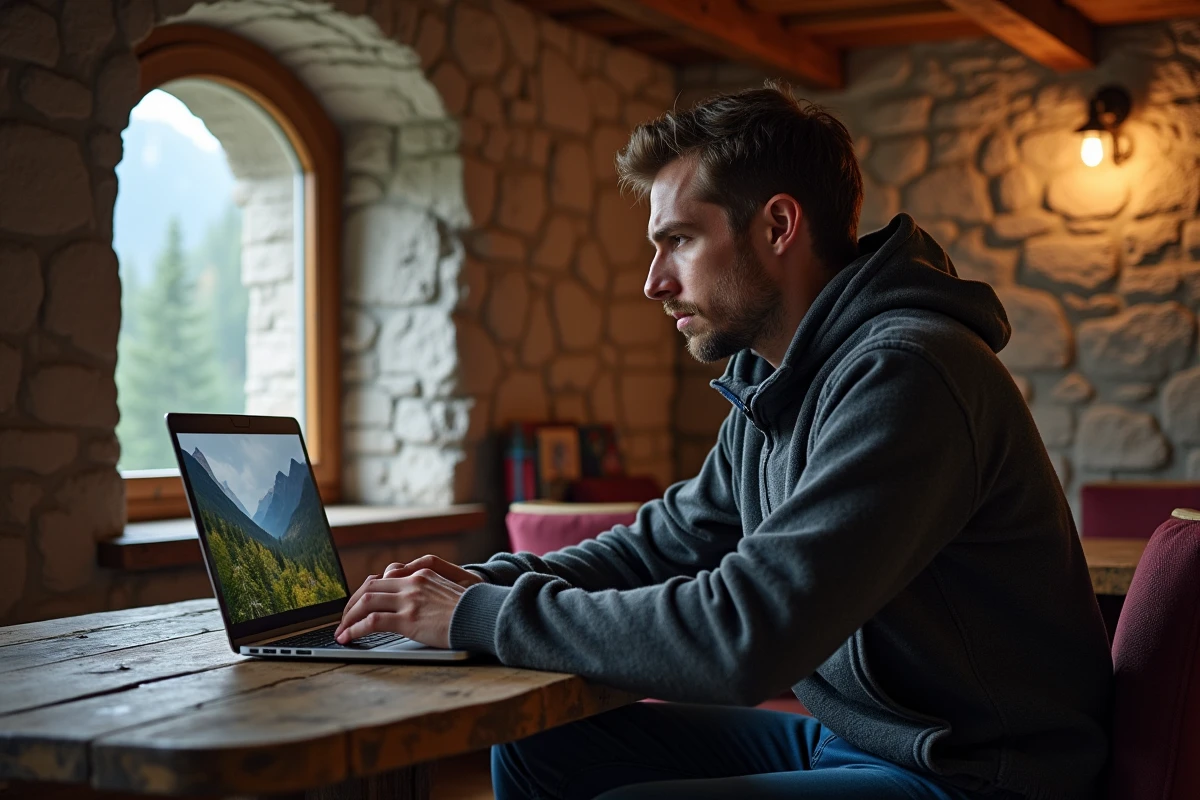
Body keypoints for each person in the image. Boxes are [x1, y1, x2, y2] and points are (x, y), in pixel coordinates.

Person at [334, 82, 1113, 800]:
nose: (652, 281)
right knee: (539, 747)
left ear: (778, 225)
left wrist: (481, 615)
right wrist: (470, 583)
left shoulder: (908, 373)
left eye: (678, 240)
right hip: (859, 743)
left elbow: (745, 635)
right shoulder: (776, 376)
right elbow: (661, 545)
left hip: (973, 774)